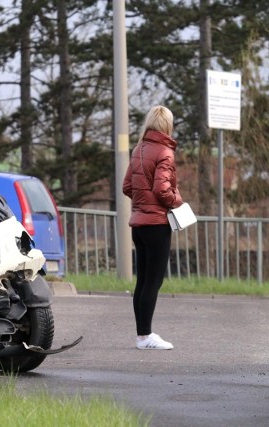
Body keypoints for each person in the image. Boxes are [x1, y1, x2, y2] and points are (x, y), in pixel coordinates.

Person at [122, 105, 183, 350]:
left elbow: (127, 187)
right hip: (157, 224)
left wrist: (141, 201)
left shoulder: (139, 149)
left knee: (143, 280)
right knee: (153, 281)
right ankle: (145, 337)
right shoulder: (165, 152)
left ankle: (142, 335)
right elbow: (162, 189)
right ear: (167, 125)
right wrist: (177, 200)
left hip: (139, 225)